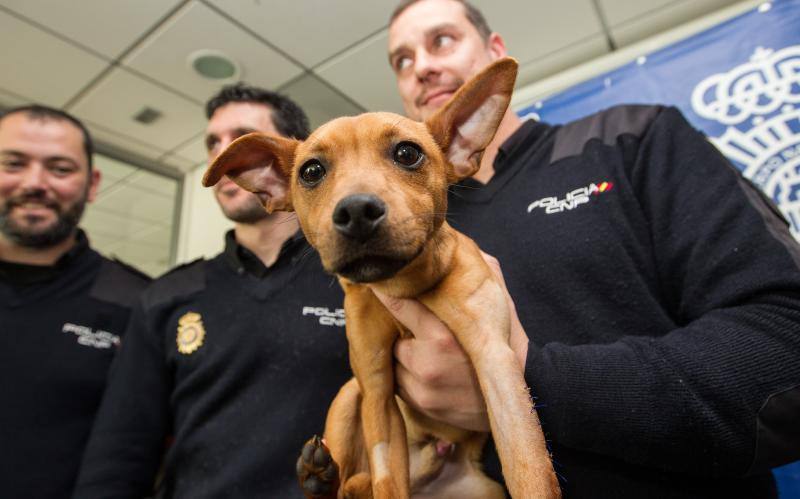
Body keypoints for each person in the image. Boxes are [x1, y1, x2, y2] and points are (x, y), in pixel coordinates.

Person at [381, 1, 800, 497]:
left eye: (441, 40)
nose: (422, 68)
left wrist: (523, 385)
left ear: (495, 50)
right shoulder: (413, 232)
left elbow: (783, 342)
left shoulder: (632, 139)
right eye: (402, 61)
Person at [73, 85, 352, 498]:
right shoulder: (168, 295)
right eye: (213, 144)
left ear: (291, 161)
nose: (224, 158)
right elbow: (121, 449)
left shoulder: (357, 283)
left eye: (240, 141)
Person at [0, 105, 150, 498]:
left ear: (92, 183)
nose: (35, 182)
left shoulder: (140, 304)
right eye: (13, 164)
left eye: (60, 169)